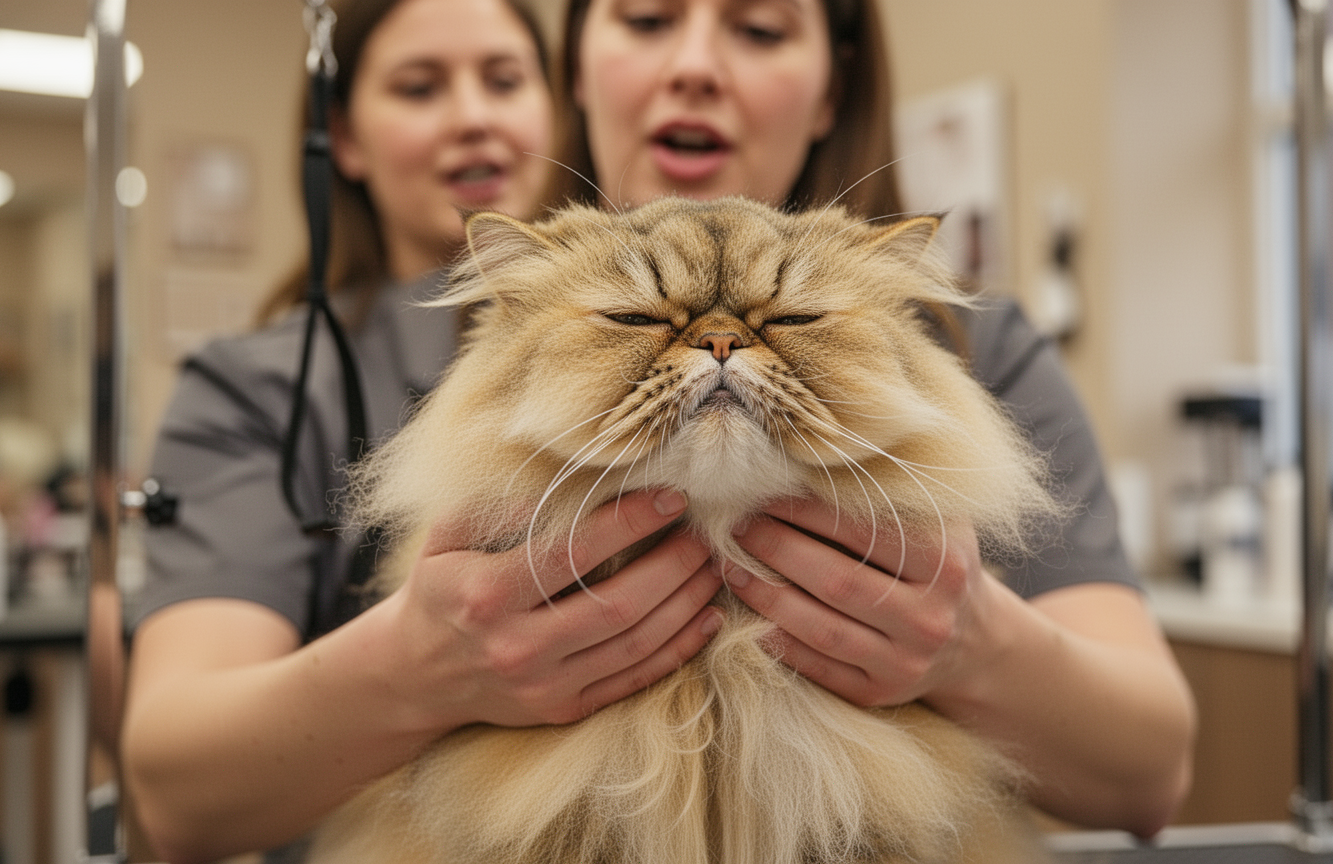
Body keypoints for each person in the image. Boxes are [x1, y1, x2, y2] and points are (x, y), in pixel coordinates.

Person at [548, 0, 1196, 838]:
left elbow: (1153, 779)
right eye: (645, 19)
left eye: (760, 30)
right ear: (575, 66)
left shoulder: (976, 346)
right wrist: (415, 672)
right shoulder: (361, 347)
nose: (696, 67)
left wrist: (976, 647)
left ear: (832, 88)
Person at [124, 2, 724, 862]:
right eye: (419, 87)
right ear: (346, 138)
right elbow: (174, 791)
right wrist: (411, 671)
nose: (473, 116)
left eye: (505, 80)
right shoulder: (255, 388)